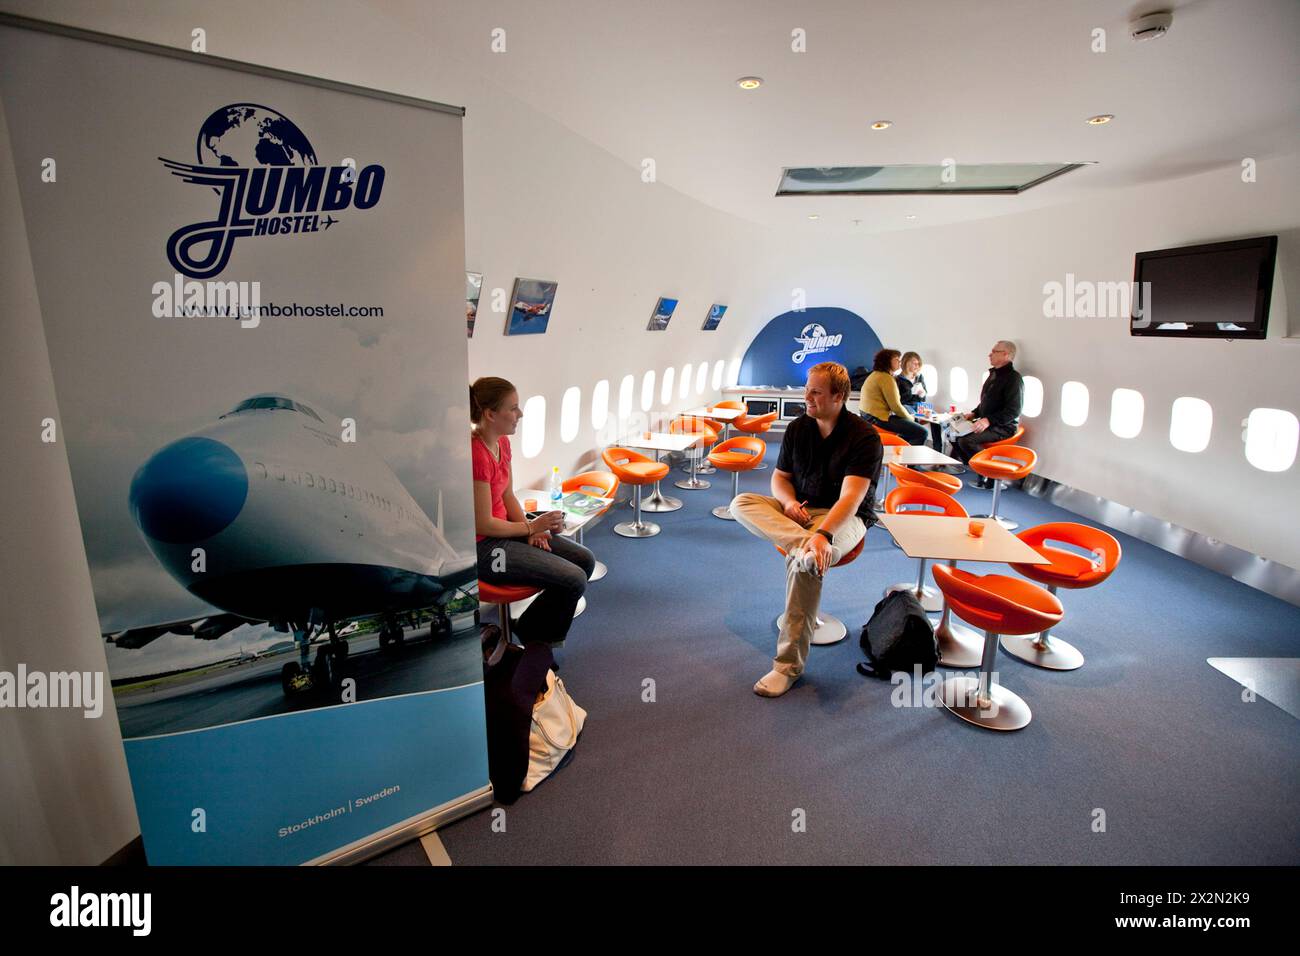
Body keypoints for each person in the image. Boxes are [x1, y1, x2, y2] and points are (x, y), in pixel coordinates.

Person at [731, 362, 881, 698]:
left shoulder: (864, 437)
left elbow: (851, 499)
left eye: (815, 392)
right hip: (799, 514)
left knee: (806, 562)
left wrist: (824, 535)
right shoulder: (799, 428)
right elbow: (780, 478)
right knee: (741, 503)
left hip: (843, 518)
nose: (807, 397)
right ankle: (807, 544)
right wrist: (786, 504)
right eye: (807, 389)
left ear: (839, 396)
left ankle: (787, 668)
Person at [470, 376, 594, 646]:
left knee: (585, 560)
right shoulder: (476, 454)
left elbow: (506, 494)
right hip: (485, 548)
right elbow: (482, 524)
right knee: (573, 579)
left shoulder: (502, 443)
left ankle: (528, 628)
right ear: (490, 414)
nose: (521, 414)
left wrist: (532, 531)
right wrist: (529, 528)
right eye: (513, 408)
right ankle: (538, 644)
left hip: (507, 530)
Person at [953, 340, 1025, 486]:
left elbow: (1014, 410)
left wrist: (988, 420)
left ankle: (991, 474)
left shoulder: (1014, 379)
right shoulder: (993, 375)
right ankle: (979, 470)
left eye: (994, 351)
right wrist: (974, 413)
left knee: (966, 440)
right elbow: (987, 402)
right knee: (953, 434)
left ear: (1005, 355)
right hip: (988, 422)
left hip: (1003, 426)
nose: (989, 354)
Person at [857, 348, 927, 445]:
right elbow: (896, 406)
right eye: (897, 359)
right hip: (878, 418)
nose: (899, 361)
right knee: (922, 432)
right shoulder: (886, 378)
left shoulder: (876, 374)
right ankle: (910, 457)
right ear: (887, 361)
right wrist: (910, 418)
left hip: (868, 415)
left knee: (910, 430)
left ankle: (902, 449)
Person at [896, 351, 943, 450]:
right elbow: (899, 399)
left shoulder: (919, 377)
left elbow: (923, 396)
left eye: (918, 364)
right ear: (906, 363)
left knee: (935, 418)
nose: (917, 366)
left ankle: (938, 448)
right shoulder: (898, 379)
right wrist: (911, 393)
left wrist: (922, 394)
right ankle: (914, 447)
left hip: (919, 404)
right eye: (914, 363)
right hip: (905, 405)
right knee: (914, 418)